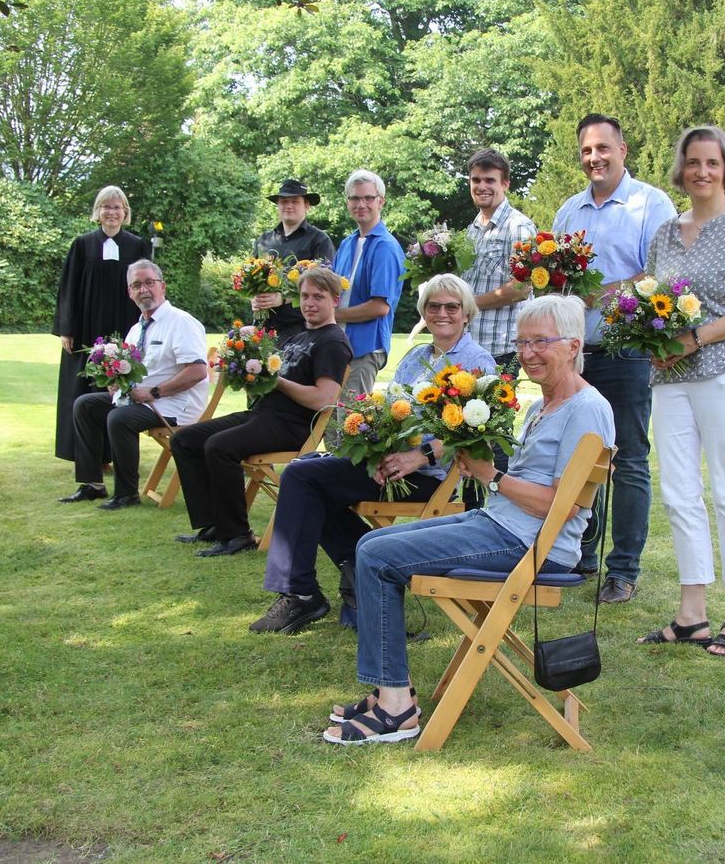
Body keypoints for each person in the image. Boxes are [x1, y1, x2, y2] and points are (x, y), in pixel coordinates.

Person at [321, 295, 615, 745]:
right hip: (504, 527)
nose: (528, 353)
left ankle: (396, 707)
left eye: (541, 342)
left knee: (378, 554)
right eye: (522, 342)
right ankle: (388, 693)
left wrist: (491, 475)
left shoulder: (586, 409)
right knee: (369, 548)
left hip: (535, 547)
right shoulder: (542, 406)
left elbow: (567, 506)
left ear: (574, 346)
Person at [248, 274, 495, 635]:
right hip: (390, 465)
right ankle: (350, 572)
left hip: (429, 478)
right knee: (305, 473)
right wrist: (377, 446)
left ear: (466, 313)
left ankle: (302, 594)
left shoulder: (476, 362)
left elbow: (473, 433)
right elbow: (392, 410)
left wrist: (418, 456)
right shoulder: (416, 357)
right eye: (433, 306)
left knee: (304, 479)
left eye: (451, 307)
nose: (442, 313)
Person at [635, 126, 725, 657]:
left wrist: (694, 338)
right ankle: (692, 613)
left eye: (711, 163)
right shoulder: (666, 234)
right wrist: (651, 337)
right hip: (670, 379)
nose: (702, 172)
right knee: (678, 494)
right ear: (681, 169)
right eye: (692, 163)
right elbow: (652, 301)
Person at [552, 113, 676, 603]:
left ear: (623, 150)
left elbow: (661, 274)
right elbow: (556, 276)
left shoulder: (650, 203)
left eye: (603, 148)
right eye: (586, 151)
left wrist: (598, 294)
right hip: (577, 355)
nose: (594, 158)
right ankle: (578, 556)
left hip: (627, 353)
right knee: (580, 460)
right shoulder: (569, 212)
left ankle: (622, 569)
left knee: (626, 460)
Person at [170, 267, 352, 557]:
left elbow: (324, 399)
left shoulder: (332, 341)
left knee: (219, 447)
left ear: (335, 301)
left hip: (292, 425)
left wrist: (277, 381)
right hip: (263, 415)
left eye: (318, 296)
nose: (310, 303)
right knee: (185, 440)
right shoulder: (297, 334)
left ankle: (238, 535)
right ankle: (214, 524)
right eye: (305, 296)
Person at [59, 260, 208, 509]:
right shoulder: (136, 328)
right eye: (136, 285)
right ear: (130, 292)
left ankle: (126, 494)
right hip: (140, 400)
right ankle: (92, 484)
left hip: (174, 405)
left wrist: (155, 392)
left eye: (149, 282)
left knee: (120, 418)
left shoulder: (181, 322)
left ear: (163, 287)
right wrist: (115, 382)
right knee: (85, 404)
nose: (144, 290)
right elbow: (132, 371)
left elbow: (197, 371)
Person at [52, 186, 151, 462]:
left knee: (118, 390)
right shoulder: (82, 244)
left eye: (117, 207)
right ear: (98, 211)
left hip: (124, 330)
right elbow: (68, 288)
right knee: (83, 390)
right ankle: (85, 455)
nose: (112, 212)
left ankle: (114, 455)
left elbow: (147, 286)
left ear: (125, 213)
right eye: (107, 207)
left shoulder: (137, 245)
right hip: (86, 332)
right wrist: (66, 329)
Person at [462, 148, 536, 492]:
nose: (482, 186)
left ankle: (505, 502)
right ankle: (471, 504)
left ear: (505, 183)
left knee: (495, 429)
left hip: (502, 347)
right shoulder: (472, 229)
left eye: (490, 180)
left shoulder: (518, 226)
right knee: (467, 427)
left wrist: (470, 304)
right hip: (471, 345)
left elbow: (522, 287)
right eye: (476, 180)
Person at [332, 169, 405, 400]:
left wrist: (333, 315)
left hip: (363, 349)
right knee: (328, 424)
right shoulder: (347, 243)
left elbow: (380, 307)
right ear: (347, 202)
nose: (360, 204)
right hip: (338, 345)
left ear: (380, 202)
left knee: (350, 425)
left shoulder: (385, 247)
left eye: (368, 198)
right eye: (354, 198)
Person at [251, 178, 337, 340]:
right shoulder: (263, 240)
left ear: (306, 205)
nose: (288, 205)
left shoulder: (319, 240)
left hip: (301, 330)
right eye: (283, 201)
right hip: (262, 329)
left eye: (295, 201)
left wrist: (282, 299)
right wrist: (254, 299)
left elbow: (323, 287)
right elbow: (250, 277)